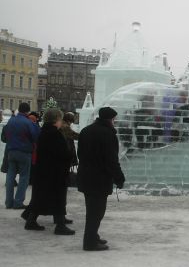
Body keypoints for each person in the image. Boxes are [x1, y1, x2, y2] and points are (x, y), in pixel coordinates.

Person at [77, 107, 125, 251]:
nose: (115, 122)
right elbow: (111, 160)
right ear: (110, 119)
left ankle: (93, 236)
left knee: (92, 210)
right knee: (96, 212)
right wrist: (119, 178)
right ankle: (90, 242)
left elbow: (80, 153)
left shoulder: (86, 130)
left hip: (86, 176)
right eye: (114, 119)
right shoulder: (108, 134)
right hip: (99, 178)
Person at [23, 109, 75, 235]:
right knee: (58, 197)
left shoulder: (44, 132)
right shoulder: (54, 134)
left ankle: (31, 220)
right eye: (59, 119)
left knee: (41, 197)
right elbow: (61, 153)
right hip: (55, 172)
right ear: (56, 119)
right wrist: (70, 156)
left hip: (44, 171)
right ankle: (60, 225)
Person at [4, 103, 39, 209]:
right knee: (24, 177)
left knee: (10, 176)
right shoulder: (28, 122)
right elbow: (35, 136)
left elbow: (5, 134)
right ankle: (18, 202)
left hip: (11, 151)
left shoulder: (11, 120)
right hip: (24, 152)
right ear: (28, 111)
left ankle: (8, 202)